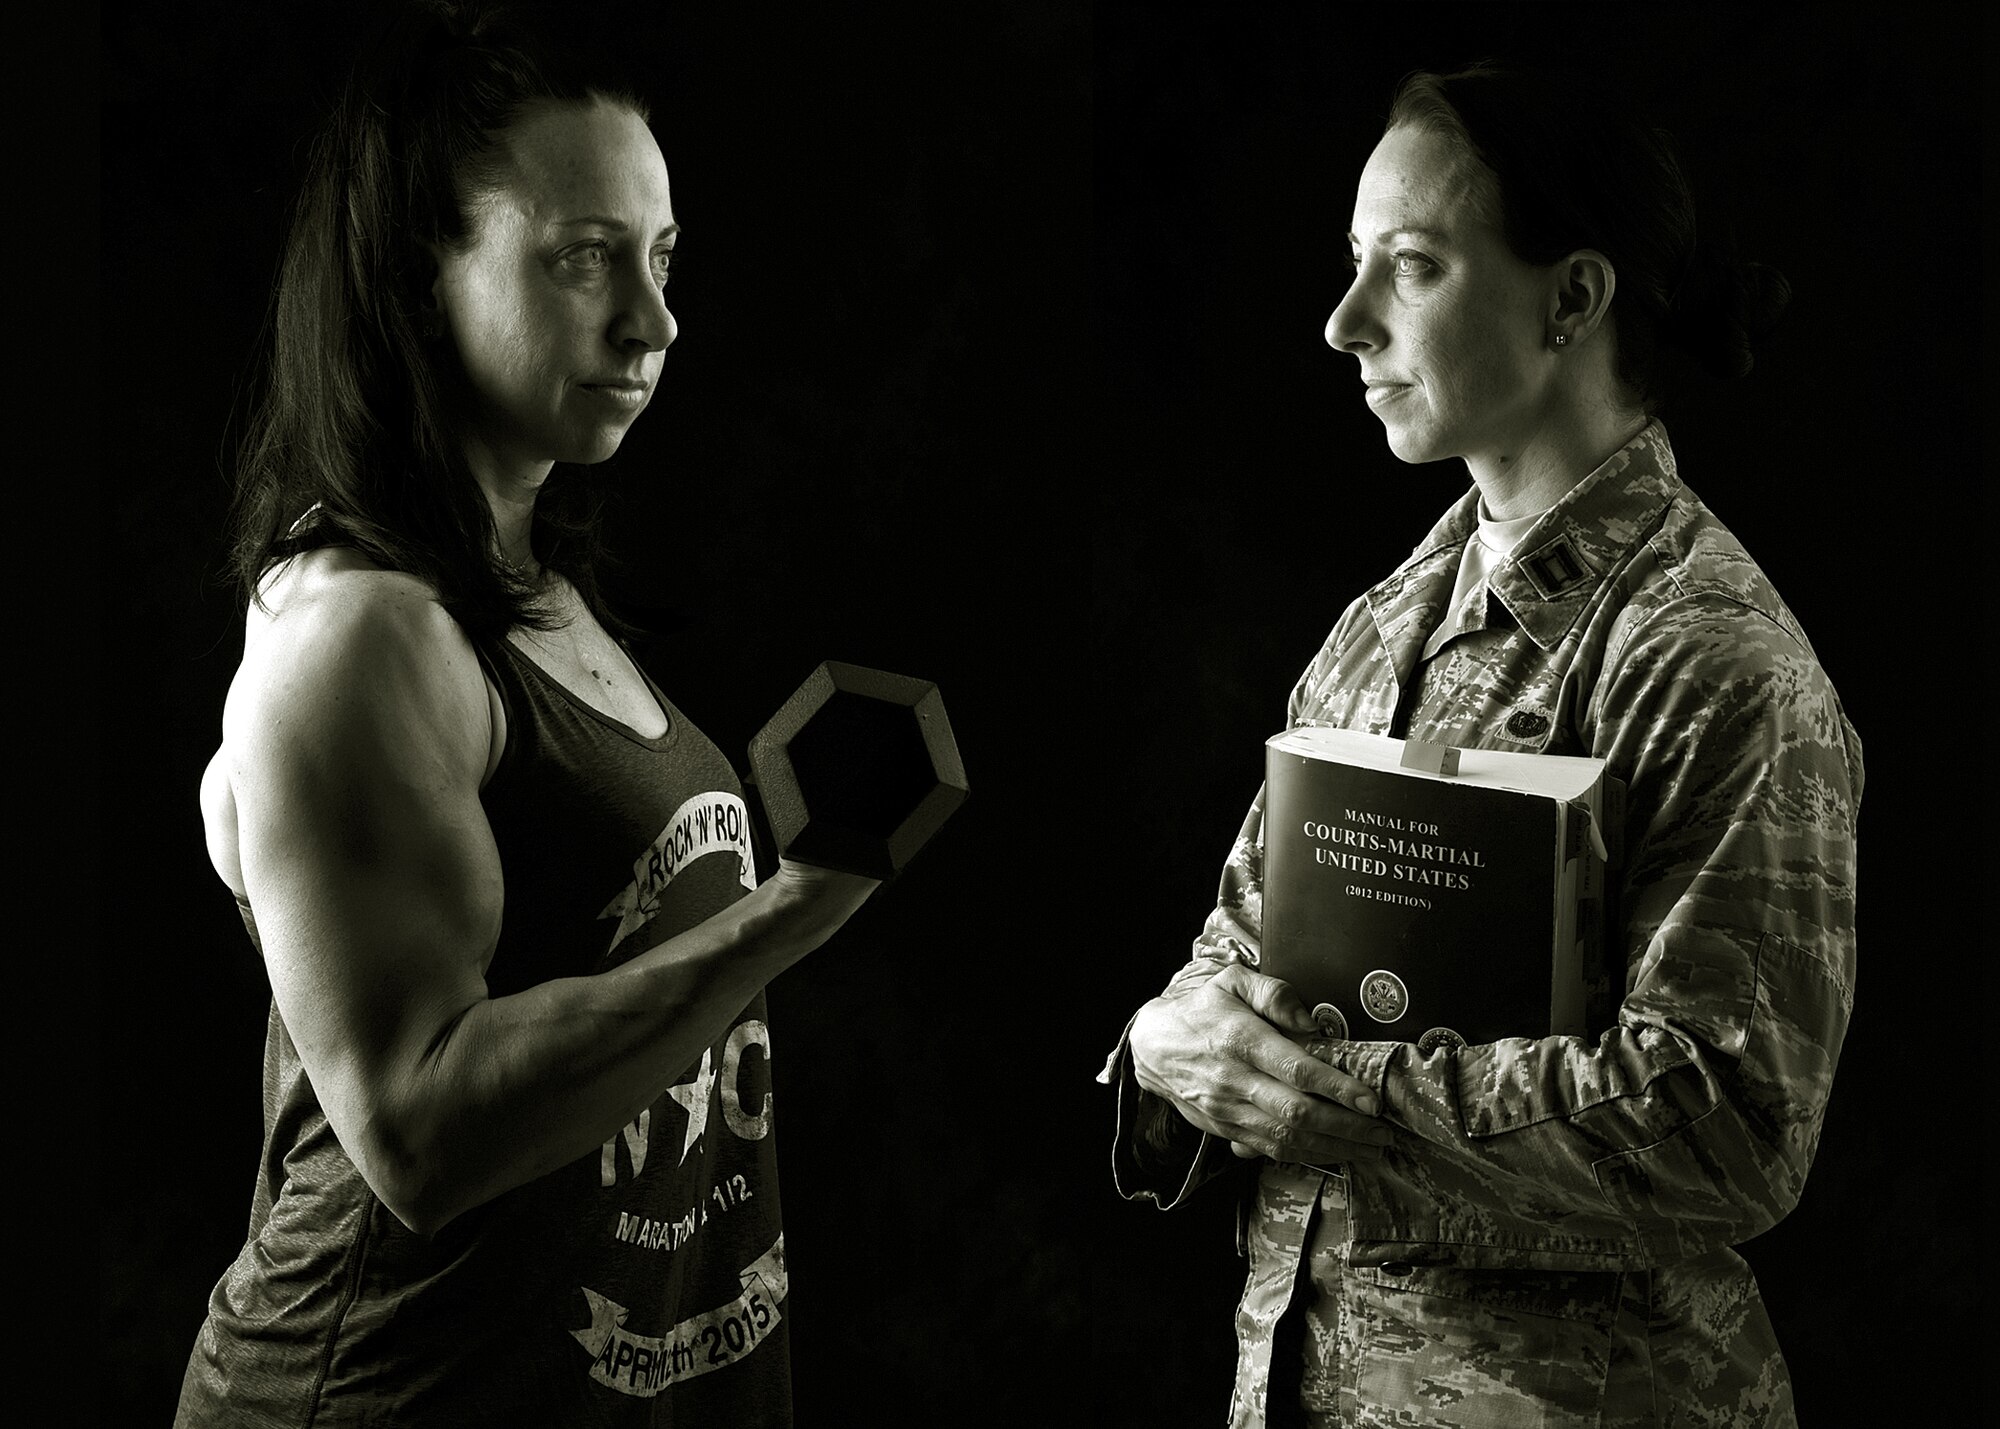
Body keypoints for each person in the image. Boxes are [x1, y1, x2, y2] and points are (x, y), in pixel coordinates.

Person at [1103, 63, 1862, 1428]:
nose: (1346, 324)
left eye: (1413, 267)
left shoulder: (1716, 661)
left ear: (1573, 298)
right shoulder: (1377, 627)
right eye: (1353, 267)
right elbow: (1238, 957)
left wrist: (1330, 1095)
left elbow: (1732, 1120)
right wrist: (1165, 1042)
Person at [177, 4, 876, 1423]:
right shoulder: (360, 637)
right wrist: (793, 909)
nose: (654, 319)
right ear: (415, 276)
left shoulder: (521, 579)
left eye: (662, 257)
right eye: (581, 258)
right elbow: (418, 1130)